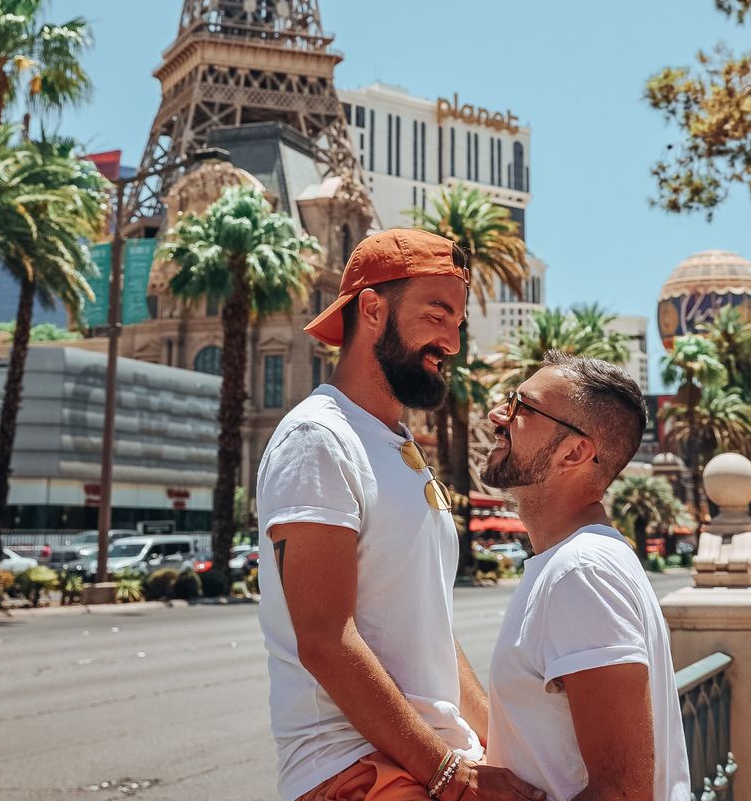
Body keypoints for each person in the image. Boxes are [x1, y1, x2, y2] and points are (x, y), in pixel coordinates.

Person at [256, 227, 545, 801]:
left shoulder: (394, 444)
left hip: (423, 760)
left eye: (458, 324)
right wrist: (450, 776)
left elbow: (429, 631)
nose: (453, 343)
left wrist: (508, 751)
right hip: (354, 770)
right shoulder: (319, 439)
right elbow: (325, 641)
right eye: (437, 316)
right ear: (371, 308)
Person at [483, 352, 690, 801]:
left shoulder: (581, 572)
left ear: (575, 452)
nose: (497, 416)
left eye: (522, 407)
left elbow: (623, 794)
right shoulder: (573, 563)